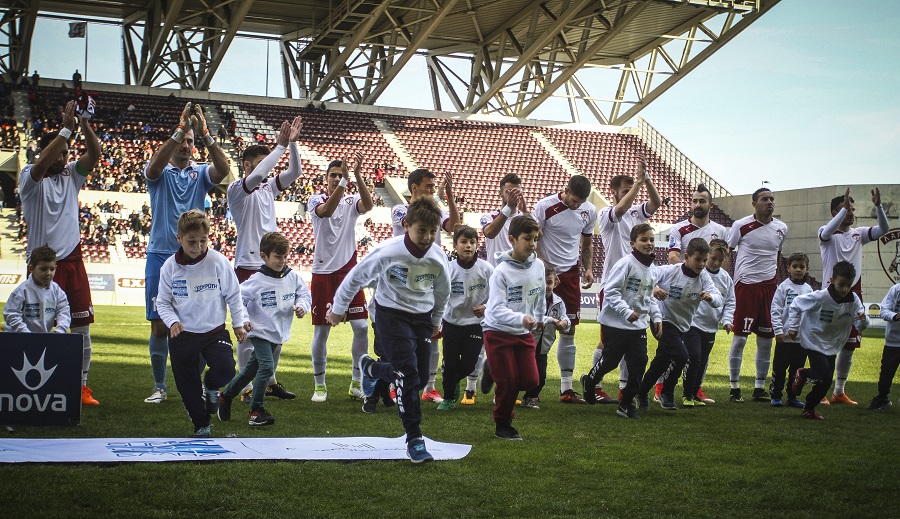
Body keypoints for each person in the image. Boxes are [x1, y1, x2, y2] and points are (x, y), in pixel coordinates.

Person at [328, 198, 451, 464]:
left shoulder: (438, 257)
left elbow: (443, 291)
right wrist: (338, 308)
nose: (427, 237)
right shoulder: (388, 251)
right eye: (421, 231)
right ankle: (415, 438)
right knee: (407, 375)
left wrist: (436, 320)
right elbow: (356, 277)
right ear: (406, 225)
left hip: (421, 317)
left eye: (433, 232)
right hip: (390, 315)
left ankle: (372, 369)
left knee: (415, 377)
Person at [142, 102, 231, 404]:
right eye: (182, 139)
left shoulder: (201, 173)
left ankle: (195, 384)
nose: (185, 145)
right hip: (160, 253)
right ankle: (159, 386)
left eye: (190, 142)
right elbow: (153, 169)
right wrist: (180, 130)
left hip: (196, 257)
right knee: (158, 323)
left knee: (197, 324)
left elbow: (224, 170)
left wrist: (204, 134)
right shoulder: (160, 171)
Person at [19, 100, 101, 406]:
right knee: (36, 329)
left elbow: (93, 156)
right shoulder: (30, 176)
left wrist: (85, 124)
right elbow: (42, 165)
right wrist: (66, 129)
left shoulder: (71, 175)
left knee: (80, 328)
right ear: (47, 150)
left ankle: (81, 387)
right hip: (41, 266)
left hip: (73, 262)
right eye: (60, 152)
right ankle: (35, 384)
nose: (64, 158)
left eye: (67, 153)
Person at [226, 116, 303, 402]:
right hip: (248, 265)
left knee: (277, 323)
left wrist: (292, 145)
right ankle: (245, 386)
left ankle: (269, 381)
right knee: (249, 330)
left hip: (274, 266)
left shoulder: (269, 188)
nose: (267, 170)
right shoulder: (237, 190)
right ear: (247, 165)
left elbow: (294, 171)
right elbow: (258, 176)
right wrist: (279, 149)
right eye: (261, 162)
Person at [156, 210, 249, 437]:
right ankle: (202, 425)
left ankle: (210, 385)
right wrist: (173, 322)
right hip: (183, 335)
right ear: (179, 238)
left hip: (214, 331)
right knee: (186, 385)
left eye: (203, 241)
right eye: (191, 241)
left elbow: (234, 295)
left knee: (227, 370)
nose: (198, 247)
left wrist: (238, 323)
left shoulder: (218, 261)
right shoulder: (169, 267)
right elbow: (163, 303)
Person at [217, 232, 311, 426]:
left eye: (285, 256)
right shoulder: (256, 280)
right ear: (263, 256)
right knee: (267, 367)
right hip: (260, 332)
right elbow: (237, 299)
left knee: (250, 371)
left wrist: (302, 306)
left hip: (278, 333)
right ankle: (256, 410)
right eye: (277, 256)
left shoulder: (292, 276)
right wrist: (243, 319)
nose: (282, 261)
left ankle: (225, 396)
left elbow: (304, 294)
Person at [593, 158, 661, 402]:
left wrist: (646, 181)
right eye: (625, 191)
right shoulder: (607, 213)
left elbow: (656, 203)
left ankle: (624, 388)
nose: (631, 196)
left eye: (632, 191)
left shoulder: (637, 212)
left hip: (635, 287)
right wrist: (637, 185)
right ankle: (596, 385)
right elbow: (620, 210)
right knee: (608, 344)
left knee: (632, 343)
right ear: (614, 193)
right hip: (614, 286)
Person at [308, 152, 374, 402]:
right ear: (326, 179)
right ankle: (320, 385)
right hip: (323, 273)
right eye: (333, 176)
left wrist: (356, 176)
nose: (337, 178)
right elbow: (326, 211)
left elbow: (367, 206)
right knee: (322, 332)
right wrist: (345, 182)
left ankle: (356, 382)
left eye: (340, 175)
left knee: (361, 327)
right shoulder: (316, 198)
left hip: (350, 273)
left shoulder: (350, 201)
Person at [390, 168, 459, 403]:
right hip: (404, 283)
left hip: (428, 279)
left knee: (434, 335)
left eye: (433, 186)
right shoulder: (400, 209)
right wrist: (436, 198)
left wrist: (447, 195)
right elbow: (414, 217)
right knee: (402, 338)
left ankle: (429, 387)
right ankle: (395, 382)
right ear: (414, 188)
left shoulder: (436, 211)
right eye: (428, 186)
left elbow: (455, 227)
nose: (432, 189)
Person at [581, 223, 662, 418]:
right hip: (615, 324)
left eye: (651, 239)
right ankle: (590, 381)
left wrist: (657, 317)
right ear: (633, 243)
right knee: (610, 361)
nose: (649, 243)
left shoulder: (653, 270)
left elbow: (649, 297)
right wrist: (626, 312)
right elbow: (610, 291)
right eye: (644, 240)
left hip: (638, 327)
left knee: (639, 361)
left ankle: (625, 404)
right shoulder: (625, 264)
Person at [818, 188, 889, 405]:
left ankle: (839, 391)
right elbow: (826, 233)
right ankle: (821, 390)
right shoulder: (826, 234)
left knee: (849, 345)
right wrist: (843, 210)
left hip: (853, 295)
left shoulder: (859, 234)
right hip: (830, 296)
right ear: (834, 212)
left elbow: (884, 229)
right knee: (826, 345)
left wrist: (878, 207)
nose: (850, 213)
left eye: (852, 210)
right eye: (846, 209)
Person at [532, 174, 599, 404]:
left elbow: (587, 242)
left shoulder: (589, 211)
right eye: (573, 200)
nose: (576, 205)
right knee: (536, 328)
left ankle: (567, 389)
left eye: (580, 202)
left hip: (570, 275)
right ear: (566, 189)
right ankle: (533, 387)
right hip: (544, 274)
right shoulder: (545, 206)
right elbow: (532, 240)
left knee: (569, 330)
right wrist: (545, 267)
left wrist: (588, 268)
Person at [462, 173, 526, 405]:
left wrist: (523, 208)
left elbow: (534, 234)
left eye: (517, 190)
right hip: (493, 282)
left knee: (513, 337)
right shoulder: (489, 215)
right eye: (509, 190)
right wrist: (509, 209)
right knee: (484, 336)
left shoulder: (523, 218)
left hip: (518, 282)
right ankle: (470, 389)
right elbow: (489, 233)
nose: (513, 195)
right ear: (500, 192)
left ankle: (506, 389)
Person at [481, 214, 544, 439]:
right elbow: (495, 310)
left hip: (522, 332)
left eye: (535, 238)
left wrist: (539, 319)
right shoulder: (501, 273)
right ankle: (503, 424)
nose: (532, 243)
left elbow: (540, 296)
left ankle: (491, 367)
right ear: (512, 239)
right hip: (497, 331)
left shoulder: (539, 266)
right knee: (508, 382)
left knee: (531, 381)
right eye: (527, 238)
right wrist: (521, 319)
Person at [640, 238, 721, 410]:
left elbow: (718, 298)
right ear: (687, 256)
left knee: (661, 363)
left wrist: (711, 297)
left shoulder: (704, 278)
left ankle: (640, 393)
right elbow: (647, 275)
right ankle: (667, 393)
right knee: (682, 356)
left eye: (704, 260)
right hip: (662, 321)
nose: (701, 264)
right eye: (698, 259)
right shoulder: (671, 271)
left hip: (682, 326)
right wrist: (653, 288)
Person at [726, 187, 787, 403]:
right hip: (746, 287)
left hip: (769, 289)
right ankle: (734, 388)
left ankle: (759, 387)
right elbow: (727, 252)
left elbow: (777, 256)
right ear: (754, 204)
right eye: (764, 199)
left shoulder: (781, 228)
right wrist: (726, 282)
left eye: (771, 199)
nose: (769, 202)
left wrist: (773, 280)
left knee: (766, 341)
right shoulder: (741, 226)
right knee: (740, 338)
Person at [788, 261, 867, 420]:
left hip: (833, 344)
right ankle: (803, 373)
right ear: (832, 280)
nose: (845, 289)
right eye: (841, 284)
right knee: (822, 373)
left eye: (848, 285)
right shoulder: (821, 296)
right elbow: (796, 304)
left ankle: (808, 408)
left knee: (826, 380)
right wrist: (793, 326)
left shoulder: (853, 300)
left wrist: (863, 320)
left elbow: (861, 325)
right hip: (814, 339)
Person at [436, 225, 493, 411]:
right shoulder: (448, 269)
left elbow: (499, 295)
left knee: (469, 365)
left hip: (475, 325)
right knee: (450, 363)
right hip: (451, 323)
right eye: (463, 242)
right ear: (455, 245)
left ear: (477, 245)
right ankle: (449, 398)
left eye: (472, 242)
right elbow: (439, 295)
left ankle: (450, 381)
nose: (468, 245)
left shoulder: (486, 269)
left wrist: (486, 307)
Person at [682, 238, 735, 405]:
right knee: (694, 357)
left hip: (711, 326)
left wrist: (727, 320)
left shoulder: (726, 278)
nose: (716, 263)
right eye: (713, 259)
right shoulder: (699, 274)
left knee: (703, 361)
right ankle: (686, 394)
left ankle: (695, 393)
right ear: (707, 256)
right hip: (693, 323)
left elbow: (730, 301)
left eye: (721, 260)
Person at [522, 265, 571, 409]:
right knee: (518, 374)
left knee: (541, 378)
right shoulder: (532, 299)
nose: (546, 286)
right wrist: (552, 320)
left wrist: (564, 322)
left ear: (556, 282)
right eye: (542, 282)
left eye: (549, 282)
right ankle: (502, 395)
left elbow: (564, 318)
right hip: (526, 344)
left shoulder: (558, 302)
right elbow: (532, 318)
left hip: (543, 348)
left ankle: (528, 398)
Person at [768, 252, 813, 408]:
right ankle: (776, 396)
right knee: (779, 369)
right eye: (795, 266)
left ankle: (792, 397)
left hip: (801, 340)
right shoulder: (783, 287)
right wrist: (778, 330)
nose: (798, 270)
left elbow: (811, 313)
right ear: (788, 268)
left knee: (796, 372)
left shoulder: (809, 290)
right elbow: (775, 309)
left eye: (802, 267)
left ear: (807, 269)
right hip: (784, 337)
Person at [4, 246, 70, 333]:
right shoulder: (22, 291)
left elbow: (63, 311)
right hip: (18, 339)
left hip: (41, 338)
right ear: (31, 269)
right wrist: (25, 332)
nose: (48, 273)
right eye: (43, 269)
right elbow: (11, 314)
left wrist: (60, 330)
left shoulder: (57, 291)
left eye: (52, 269)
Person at [667, 184, 727, 264]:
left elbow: (724, 259)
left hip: (710, 276)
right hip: (686, 276)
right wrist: (692, 274)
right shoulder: (678, 229)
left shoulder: (720, 230)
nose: (697, 205)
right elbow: (672, 257)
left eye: (702, 201)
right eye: (695, 201)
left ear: (711, 205)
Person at [867, 281, 900, 410]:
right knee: (886, 373)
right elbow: (884, 310)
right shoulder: (896, 289)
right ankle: (882, 398)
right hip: (893, 341)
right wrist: (896, 316)